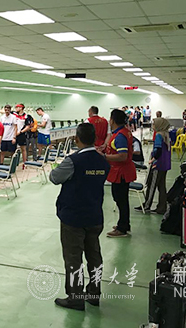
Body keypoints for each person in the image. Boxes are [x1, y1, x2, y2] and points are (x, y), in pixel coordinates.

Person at [50, 123, 110, 311]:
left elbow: (54, 177)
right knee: (94, 256)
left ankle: (75, 298)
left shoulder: (73, 161)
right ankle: (93, 293)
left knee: (73, 258)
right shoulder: (103, 161)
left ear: (76, 139)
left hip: (74, 217)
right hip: (94, 215)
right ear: (95, 139)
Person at [99, 109, 136, 238]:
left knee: (121, 199)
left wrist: (104, 156)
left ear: (112, 120)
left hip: (121, 172)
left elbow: (122, 156)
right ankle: (124, 224)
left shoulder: (120, 136)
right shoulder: (123, 132)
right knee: (121, 199)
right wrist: (105, 148)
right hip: (121, 171)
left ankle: (122, 228)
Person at [139, 116, 171, 214]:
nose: (153, 125)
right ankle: (162, 207)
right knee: (161, 186)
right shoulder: (166, 134)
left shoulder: (158, 135)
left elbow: (158, 150)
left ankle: (147, 205)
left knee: (152, 185)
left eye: (154, 124)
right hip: (165, 164)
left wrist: (153, 159)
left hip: (158, 164)